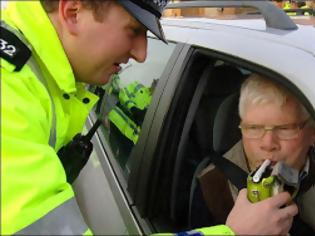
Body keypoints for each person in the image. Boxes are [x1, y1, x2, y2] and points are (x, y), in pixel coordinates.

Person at [0, 0, 298, 235]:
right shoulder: (8, 99)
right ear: (73, 12)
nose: (143, 55)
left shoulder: (41, 78)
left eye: (285, 128)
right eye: (134, 30)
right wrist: (234, 234)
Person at [197, 74, 315, 235]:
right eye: (254, 128)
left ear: (312, 133)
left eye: (285, 128)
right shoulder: (213, 187)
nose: (268, 143)